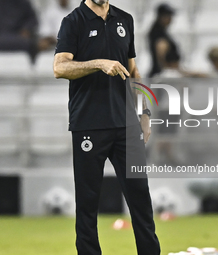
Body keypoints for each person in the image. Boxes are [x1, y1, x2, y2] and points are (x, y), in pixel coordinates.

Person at [53, 0, 161, 254]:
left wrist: (144, 112)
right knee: (88, 203)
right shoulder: (73, 22)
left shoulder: (125, 19)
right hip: (89, 123)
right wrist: (97, 63)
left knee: (141, 199)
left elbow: (134, 71)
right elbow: (59, 67)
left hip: (126, 124)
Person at [148, 3, 180, 78]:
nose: (170, 19)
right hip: (165, 75)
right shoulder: (158, 34)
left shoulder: (160, 32)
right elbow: (161, 50)